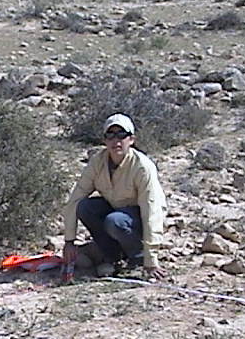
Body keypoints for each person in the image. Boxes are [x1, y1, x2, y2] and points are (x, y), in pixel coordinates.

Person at [62, 114, 167, 280]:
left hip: (137, 217)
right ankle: (113, 256)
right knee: (84, 207)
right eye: (110, 135)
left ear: (131, 139)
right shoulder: (98, 163)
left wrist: (151, 258)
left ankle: (138, 258)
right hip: (116, 210)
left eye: (121, 135)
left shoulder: (142, 167)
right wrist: (69, 241)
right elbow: (75, 198)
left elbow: (151, 210)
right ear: (104, 140)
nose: (115, 141)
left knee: (115, 221)